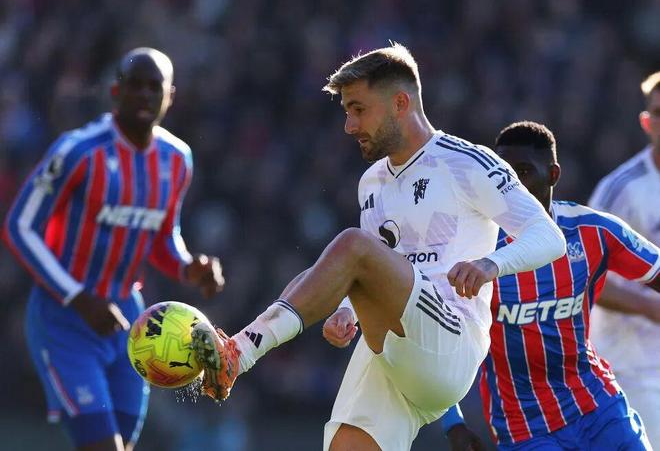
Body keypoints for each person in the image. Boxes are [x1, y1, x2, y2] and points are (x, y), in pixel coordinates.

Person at [190, 43, 565, 451]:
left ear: (400, 103)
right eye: (346, 112)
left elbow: (549, 237)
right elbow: (377, 268)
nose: (349, 126)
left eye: (358, 109)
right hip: (392, 350)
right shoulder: (371, 182)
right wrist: (347, 311)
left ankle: (240, 352)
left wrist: (491, 264)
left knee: (353, 244)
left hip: (450, 340)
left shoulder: (468, 162)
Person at [2, 48, 225, 451]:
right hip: (63, 320)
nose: (144, 95)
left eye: (154, 87)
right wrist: (78, 297)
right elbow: (19, 227)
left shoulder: (177, 159)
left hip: (129, 324)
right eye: (134, 85)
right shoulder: (77, 151)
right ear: (115, 91)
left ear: (170, 96)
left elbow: (162, 236)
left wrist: (188, 267)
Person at [438, 121, 659, 450]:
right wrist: (453, 424)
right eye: (503, 175)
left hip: (598, 407)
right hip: (524, 427)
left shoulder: (592, 232)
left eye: (524, 172)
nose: (511, 186)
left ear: (553, 175)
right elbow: (437, 341)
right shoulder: (471, 249)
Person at [588, 71, 660, 447]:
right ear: (646, 123)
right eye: (659, 112)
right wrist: (648, 305)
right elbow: (584, 272)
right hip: (630, 367)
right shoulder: (623, 189)